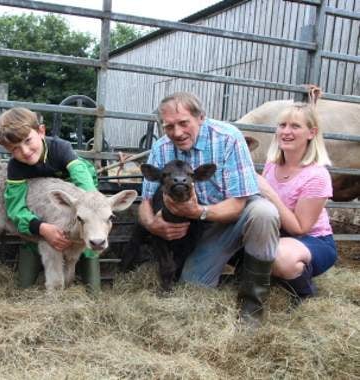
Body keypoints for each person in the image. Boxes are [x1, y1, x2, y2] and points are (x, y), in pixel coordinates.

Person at [138, 92, 280, 327]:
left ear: (201, 117)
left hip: (236, 213)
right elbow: (144, 202)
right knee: (193, 289)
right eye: (169, 126)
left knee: (264, 212)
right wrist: (153, 224)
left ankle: (252, 307)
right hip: (203, 226)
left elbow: (238, 203)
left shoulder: (228, 138)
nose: (177, 133)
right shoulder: (161, 148)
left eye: (184, 123)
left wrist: (199, 212)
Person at [0, 107, 100, 293]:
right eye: (15, 149)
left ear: (41, 131)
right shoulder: (16, 168)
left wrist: (93, 206)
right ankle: (38, 261)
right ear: (7, 150)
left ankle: (91, 279)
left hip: (75, 200)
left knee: (89, 237)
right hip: (45, 210)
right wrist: (41, 228)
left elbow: (81, 176)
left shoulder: (60, 149)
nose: (25, 151)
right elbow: (15, 208)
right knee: (25, 285)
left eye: (28, 141)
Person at [257, 102, 337, 304]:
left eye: (295, 126)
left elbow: (300, 228)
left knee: (279, 256)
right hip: (279, 233)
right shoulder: (271, 165)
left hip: (312, 240)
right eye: (282, 125)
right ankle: (273, 279)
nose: (286, 131)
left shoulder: (317, 176)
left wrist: (269, 193)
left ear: (312, 133)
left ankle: (304, 293)